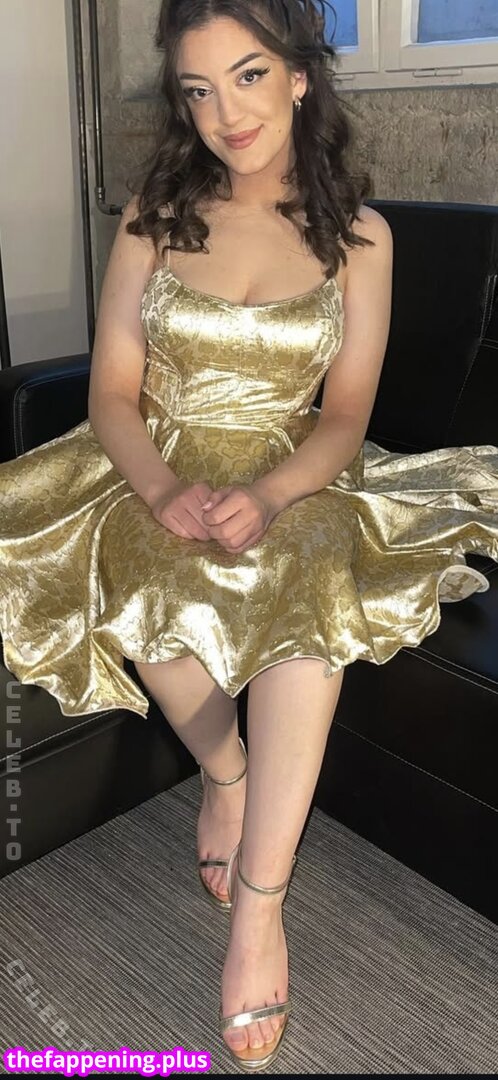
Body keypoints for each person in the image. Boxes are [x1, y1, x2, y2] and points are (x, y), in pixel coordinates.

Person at [0, 0, 497, 1071]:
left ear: (302, 76)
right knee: (145, 587)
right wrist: (160, 487)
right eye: (198, 89)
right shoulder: (154, 214)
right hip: (154, 455)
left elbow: (346, 416)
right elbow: (113, 393)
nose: (225, 111)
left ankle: (262, 910)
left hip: (296, 465)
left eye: (250, 75)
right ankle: (225, 771)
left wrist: (270, 496)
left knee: (310, 609)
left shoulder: (362, 235)